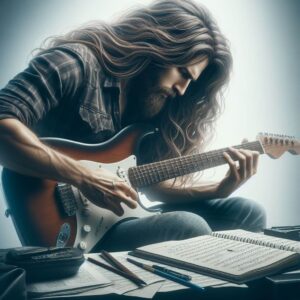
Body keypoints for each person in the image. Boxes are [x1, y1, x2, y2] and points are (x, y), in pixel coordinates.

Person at [0, 0, 266, 252]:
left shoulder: (152, 102)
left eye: (191, 82)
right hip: (73, 230)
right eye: (182, 73)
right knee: (187, 226)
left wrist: (219, 189)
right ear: (159, 47)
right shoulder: (75, 64)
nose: (183, 90)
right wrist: (83, 176)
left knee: (247, 213)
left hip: (121, 217)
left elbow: (150, 187)